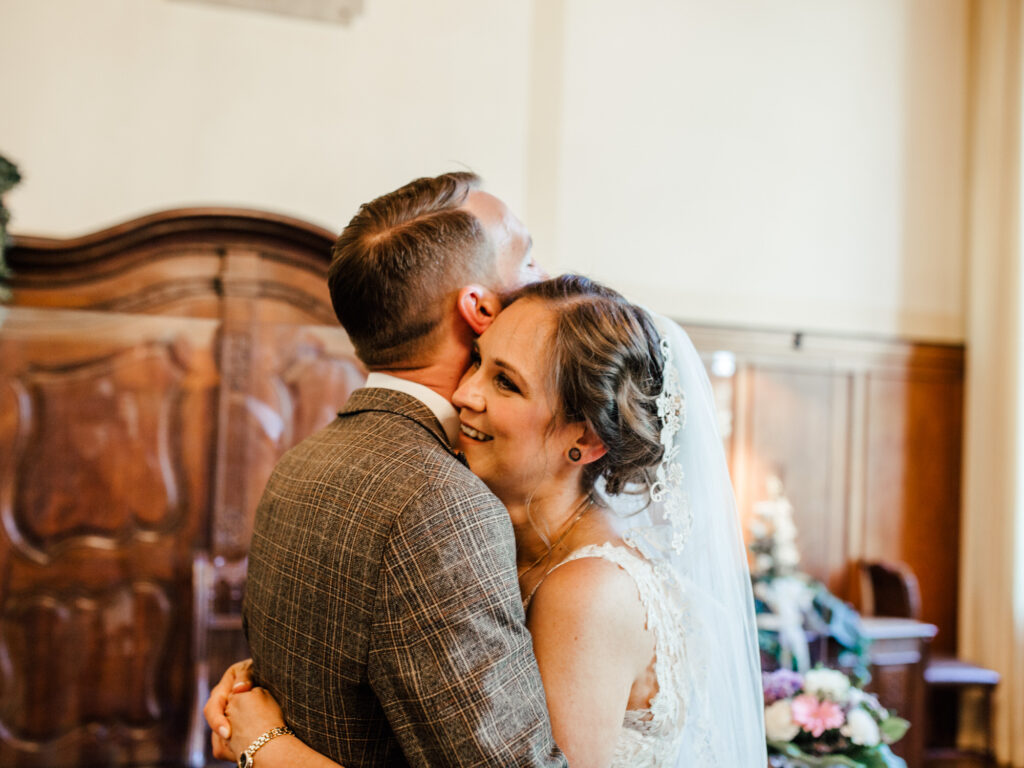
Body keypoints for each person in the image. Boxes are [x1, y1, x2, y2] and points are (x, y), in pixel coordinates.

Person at [209, 274, 767, 766]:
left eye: (506, 382)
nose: (463, 393)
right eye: (476, 359)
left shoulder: (589, 590)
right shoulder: (487, 541)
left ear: (586, 438)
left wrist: (268, 746)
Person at [209, 171, 565, 768]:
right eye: (527, 261)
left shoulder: (301, 462)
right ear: (479, 308)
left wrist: (263, 746)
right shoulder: (439, 505)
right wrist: (261, 744)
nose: (545, 278)